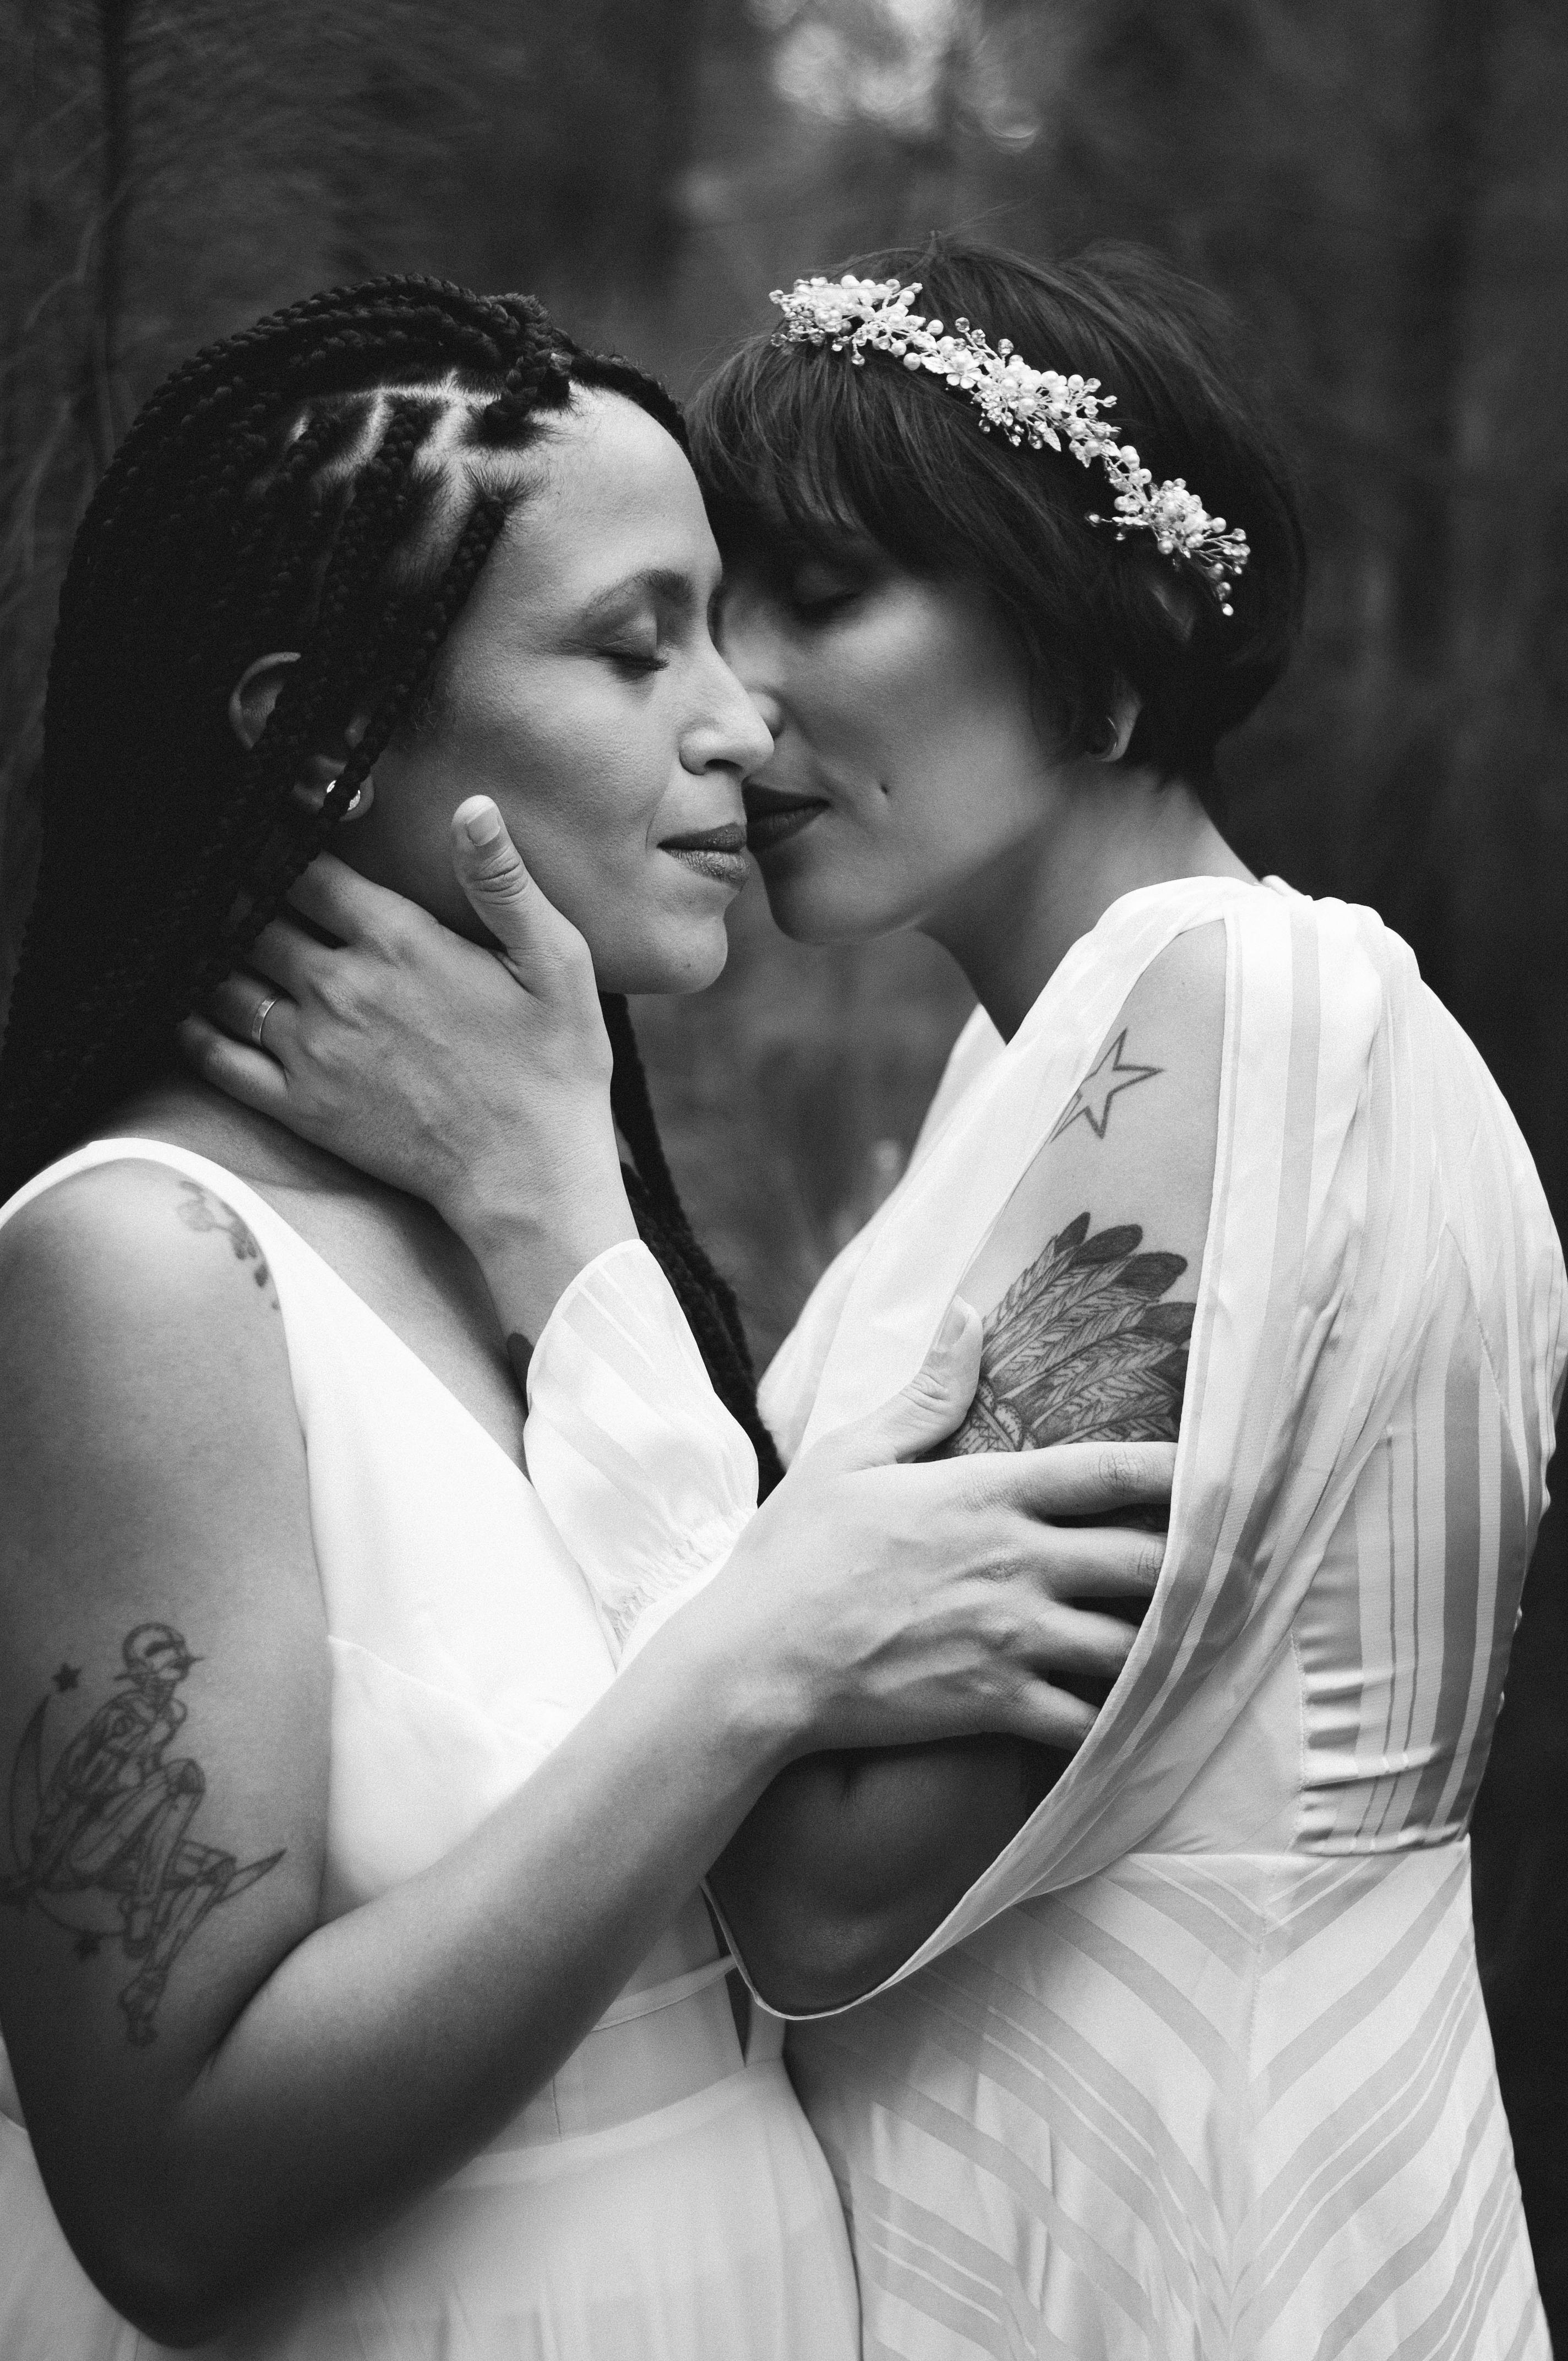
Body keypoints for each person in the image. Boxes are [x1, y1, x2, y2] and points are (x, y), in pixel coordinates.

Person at [203, 242, 1568, 2358]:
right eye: (713, 615)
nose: (744, 707)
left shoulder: (1234, 1008)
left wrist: (556, 1210)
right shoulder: (1051, 1067)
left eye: (822, 599)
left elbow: (832, 1892)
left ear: (1103, 661)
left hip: (1171, 2243)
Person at [0, 274, 1178, 2359]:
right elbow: (167, 2195)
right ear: (323, 724)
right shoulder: (142, 1273)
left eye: (724, 629)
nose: (742, 720)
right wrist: (760, 1648)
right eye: (639, 648)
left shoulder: (533, 1227)